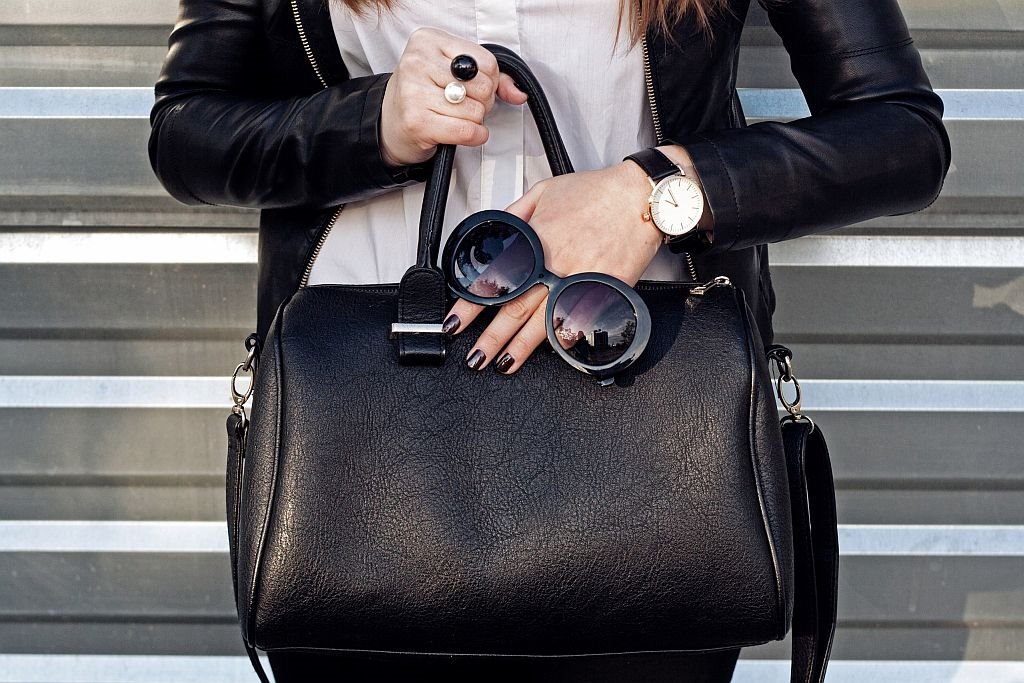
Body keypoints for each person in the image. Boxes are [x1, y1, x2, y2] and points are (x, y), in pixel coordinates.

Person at [149, 0, 950, 679]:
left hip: (649, 419)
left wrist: (652, 195)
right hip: (360, 442)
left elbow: (901, 134)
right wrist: (375, 123)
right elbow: (187, 132)